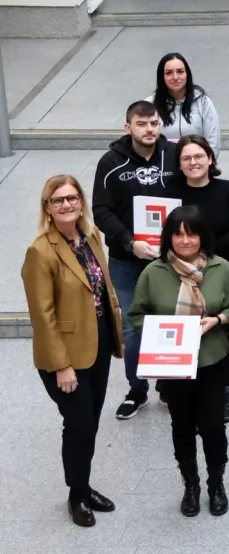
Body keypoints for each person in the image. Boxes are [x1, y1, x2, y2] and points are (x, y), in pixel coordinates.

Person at [127, 206, 229, 517]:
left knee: (212, 426)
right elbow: (137, 314)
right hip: (173, 364)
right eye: (178, 234)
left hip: (212, 359)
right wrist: (161, 332)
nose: (184, 240)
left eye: (191, 233)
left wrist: (218, 320)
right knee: (181, 426)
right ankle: (190, 483)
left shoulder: (220, 268)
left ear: (201, 236)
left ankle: (216, 483)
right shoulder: (154, 273)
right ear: (169, 237)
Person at [22, 175, 124, 528]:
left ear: (82, 201)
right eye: (57, 200)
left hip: (97, 344)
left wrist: (116, 335)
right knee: (78, 424)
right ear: (47, 209)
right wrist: (62, 366)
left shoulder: (91, 237)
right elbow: (43, 316)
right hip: (65, 356)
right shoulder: (40, 251)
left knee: (91, 423)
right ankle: (76, 494)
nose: (66, 204)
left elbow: (104, 289)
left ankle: (84, 483)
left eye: (72, 197)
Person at [92, 100, 177, 421]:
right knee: (131, 329)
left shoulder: (174, 154)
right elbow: (101, 211)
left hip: (170, 261)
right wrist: (130, 242)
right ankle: (137, 389)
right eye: (142, 124)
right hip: (127, 261)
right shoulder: (110, 163)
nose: (149, 130)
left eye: (154, 123)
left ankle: (169, 386)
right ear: (128, 128)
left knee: (169, 322)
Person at [171, 136, 229, 424]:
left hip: (223, 270)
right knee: (181, 324)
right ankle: (181, 384)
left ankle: (225, 388)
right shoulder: (170, 193)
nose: (193, 162)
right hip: (179, 272)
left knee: (224, 329)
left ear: (210, 159)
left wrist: (204, 251)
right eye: (186, 158)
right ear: (179, 164)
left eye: (199, 156)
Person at [150, 53, 221, 157]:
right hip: (163, 169)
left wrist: (206, 166)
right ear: (162, 77)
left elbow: (213, 140)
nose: (175, 77)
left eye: (180, 72)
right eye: (169, 73)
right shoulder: (150, 104)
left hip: (196, 167)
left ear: (187, 74)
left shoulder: (203, 102)